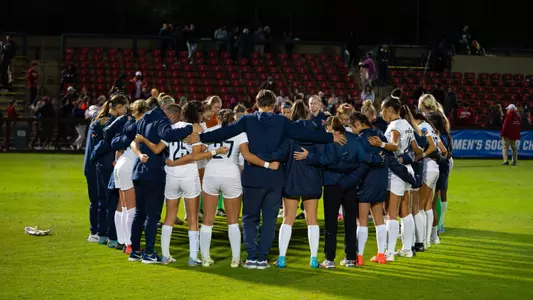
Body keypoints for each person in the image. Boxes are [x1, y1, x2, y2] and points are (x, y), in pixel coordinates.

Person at [189, 89, 346, 269]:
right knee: (270, 219)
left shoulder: (247, 120)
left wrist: (201, 137)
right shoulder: (281, 121)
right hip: (274, 176)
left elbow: (225, 132)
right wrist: (329, 137)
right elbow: (304, 134)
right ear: (274, 105)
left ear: (257, 103)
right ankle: (262, 258)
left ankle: (251, 257)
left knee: (250, 218)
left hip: (252, 176)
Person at [134, 102, 223, 265]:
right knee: (193, 218)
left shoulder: (173, 127)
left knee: (169, 216)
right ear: (199, 114)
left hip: (171, 176)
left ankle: (166, 256)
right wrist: (214, 150)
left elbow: (156, 149)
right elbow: (196, 156)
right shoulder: (195, 129)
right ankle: (192, 257)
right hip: (189, 174)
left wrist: (143, 140)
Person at [294, 116, 383, 268]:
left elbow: (326, 160)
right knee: (350, 222)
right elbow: (364, 158)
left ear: (329, 127)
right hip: (349, 185)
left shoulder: (329, 139)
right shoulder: (354, 139)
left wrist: (309, 157)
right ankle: (350, 258)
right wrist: (377, 159)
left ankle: (329, 259)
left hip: (332, 183)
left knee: (331, 223)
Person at [200, 109, 279, 267]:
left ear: (219, 118)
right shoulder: (240, 133)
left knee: (208, 220)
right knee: (233, 221)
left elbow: (201, 150)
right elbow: (247, 156)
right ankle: (236, 259)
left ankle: (205, 258)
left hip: (211, 174)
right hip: (231, 175)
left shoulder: (209, 130)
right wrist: (267, 164)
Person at [339, 112, 417, 265]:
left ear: (357, 124)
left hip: (365, 183)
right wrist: (412, 179)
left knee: (362, 222)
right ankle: (381, 255)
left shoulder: (359, 140)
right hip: (381, 183)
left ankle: (359, 257)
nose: (352, 130)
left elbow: (357, 163)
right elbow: (394, 163)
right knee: (379, 221)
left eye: (351, 127)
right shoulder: (381, 137)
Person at [257, 100, 323, 268]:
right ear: (307, 113)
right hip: (312, 178)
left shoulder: (289, 133)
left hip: (292, 179)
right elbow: (323, 156)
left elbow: (280, 153)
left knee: (288, 218)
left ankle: (282, 258)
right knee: (312, 219)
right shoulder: (316, 130)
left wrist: (262, 154)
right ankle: (314, 259)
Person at [367, 97, 423, 261]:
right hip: (406, 171)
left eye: (382, 109)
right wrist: (409, 156)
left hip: (395, 173)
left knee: (391, 214)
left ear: (390, 109)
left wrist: (381, 145)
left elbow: (395, 145)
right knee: (404, 211)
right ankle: (407, 249)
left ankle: (389, 253)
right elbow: (417, 149)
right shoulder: (406, 124)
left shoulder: (395, 126)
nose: (380, 112)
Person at [108, 100, 148, 254]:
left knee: (123, 207)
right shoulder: (140, 126)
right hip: (129, 165)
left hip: (120, 164)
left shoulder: (127, 123)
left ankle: (123, 241)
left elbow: (117, 144)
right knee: (131, 209)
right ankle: (130, 245)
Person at [89, 95, 128, 246]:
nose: (125, 111)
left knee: (102, 199)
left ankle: (102, 234)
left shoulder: (98, 120)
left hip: (100, 163)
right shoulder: (117, 122)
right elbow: (108, 143)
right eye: (124, 108)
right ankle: (113, 237)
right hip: (111, 162)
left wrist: (94, 156)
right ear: (118, 107)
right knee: (112, 199)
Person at [413, 112, 444, 247]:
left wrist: (422, 155)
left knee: (420, 206)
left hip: (428, 167)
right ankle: (428, 240)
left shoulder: (424, 126)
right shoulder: (429, 127)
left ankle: (422, 241)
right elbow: (443, 150)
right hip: (434, 167)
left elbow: (431, 146)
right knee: (427, 206)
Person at [427, 112, 452, 235]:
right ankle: (440, 224)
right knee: (441, 194)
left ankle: (436, 225)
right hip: (444, 167)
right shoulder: (445, 135)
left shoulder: (437, 135)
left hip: (438, 166)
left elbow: (443, 152)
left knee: (434, 197)